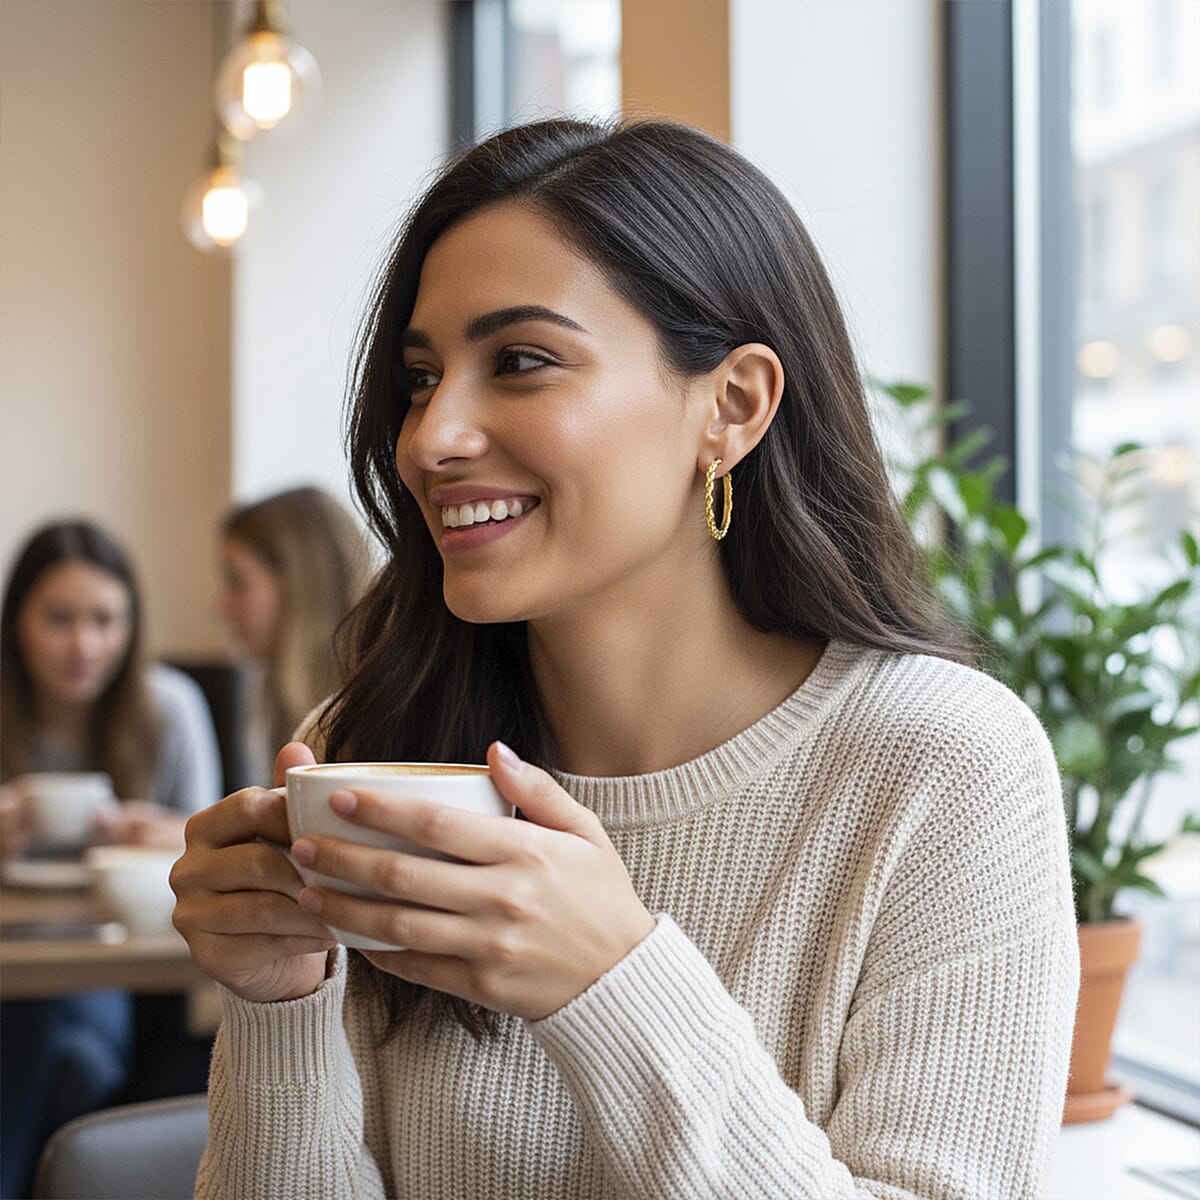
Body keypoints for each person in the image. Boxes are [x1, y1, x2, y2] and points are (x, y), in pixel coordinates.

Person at [172, 119, 1079, 1199]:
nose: (429, 438)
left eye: (519, 361)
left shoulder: (944, 768)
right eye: (421, 377)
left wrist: (611, 982)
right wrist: (279, 1002)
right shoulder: (369, 751)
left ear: (731, 405)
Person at [0, 518, 222, 1199]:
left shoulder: (169, 707)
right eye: (59, 619)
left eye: (106, 620)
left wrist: (166, 833)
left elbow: (212, 843)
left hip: (114, 968)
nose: (85, 645)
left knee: (58, 1035)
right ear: (16, 623)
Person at [216, 485, 371, 787]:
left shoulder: (369, 714)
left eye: (237, 581)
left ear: (299, 583)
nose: (221, 605)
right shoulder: (265, 697)